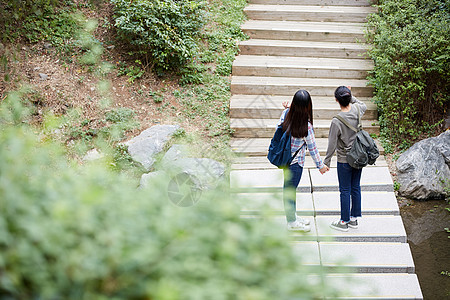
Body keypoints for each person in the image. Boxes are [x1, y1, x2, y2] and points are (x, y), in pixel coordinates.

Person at [279, 90, 329, 232]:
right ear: (308, 106)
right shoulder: (305, 126)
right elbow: (312, 148)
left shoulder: (286, 115)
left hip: (285, 160)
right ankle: (291, 222)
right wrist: (320, 166)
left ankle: (292, 216)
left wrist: (287, 109)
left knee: (289, 190)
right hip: (296, 163)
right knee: (289, 191)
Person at [324, 86, 367, 232]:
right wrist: (351, 96)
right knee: (355, 186)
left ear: (336, 100)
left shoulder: (337, 121)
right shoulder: (357, 110)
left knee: (344, 190)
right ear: (349, 98)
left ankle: (344, 222)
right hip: (359, 156)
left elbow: (332, 144)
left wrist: (326, 162)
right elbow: (364, 105)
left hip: (344, 160)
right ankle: (354, 218)